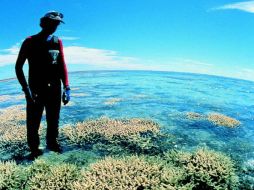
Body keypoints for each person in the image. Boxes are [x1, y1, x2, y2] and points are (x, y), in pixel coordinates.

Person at [15, 11, 70, 159]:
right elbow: (18, 67)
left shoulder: (57, 42)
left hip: (55, 89)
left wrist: (66, 87)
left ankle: (52, 144)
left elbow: (62, 65)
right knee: (33, 123)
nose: (56, 26)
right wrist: (26, 90)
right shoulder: (30, 41)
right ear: (44, 23)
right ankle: (34, 150)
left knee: (53, 120)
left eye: (57, 23)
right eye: (53, 23)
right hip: (35, 90)